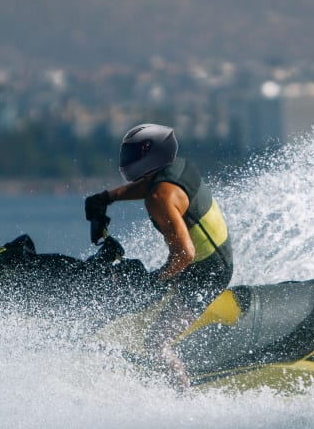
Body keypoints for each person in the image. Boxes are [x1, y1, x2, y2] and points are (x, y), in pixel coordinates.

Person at [83, 123, 233, 385]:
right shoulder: (177, 168)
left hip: (206, 274)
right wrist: (106, 197)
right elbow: (150, 186)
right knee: (142, 296)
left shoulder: (160, 197)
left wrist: (156, 280)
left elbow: (185, 253)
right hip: (210, 262)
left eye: (134, 154)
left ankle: (182, 397)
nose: (128, 160)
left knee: (156, 342)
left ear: (151, 154)